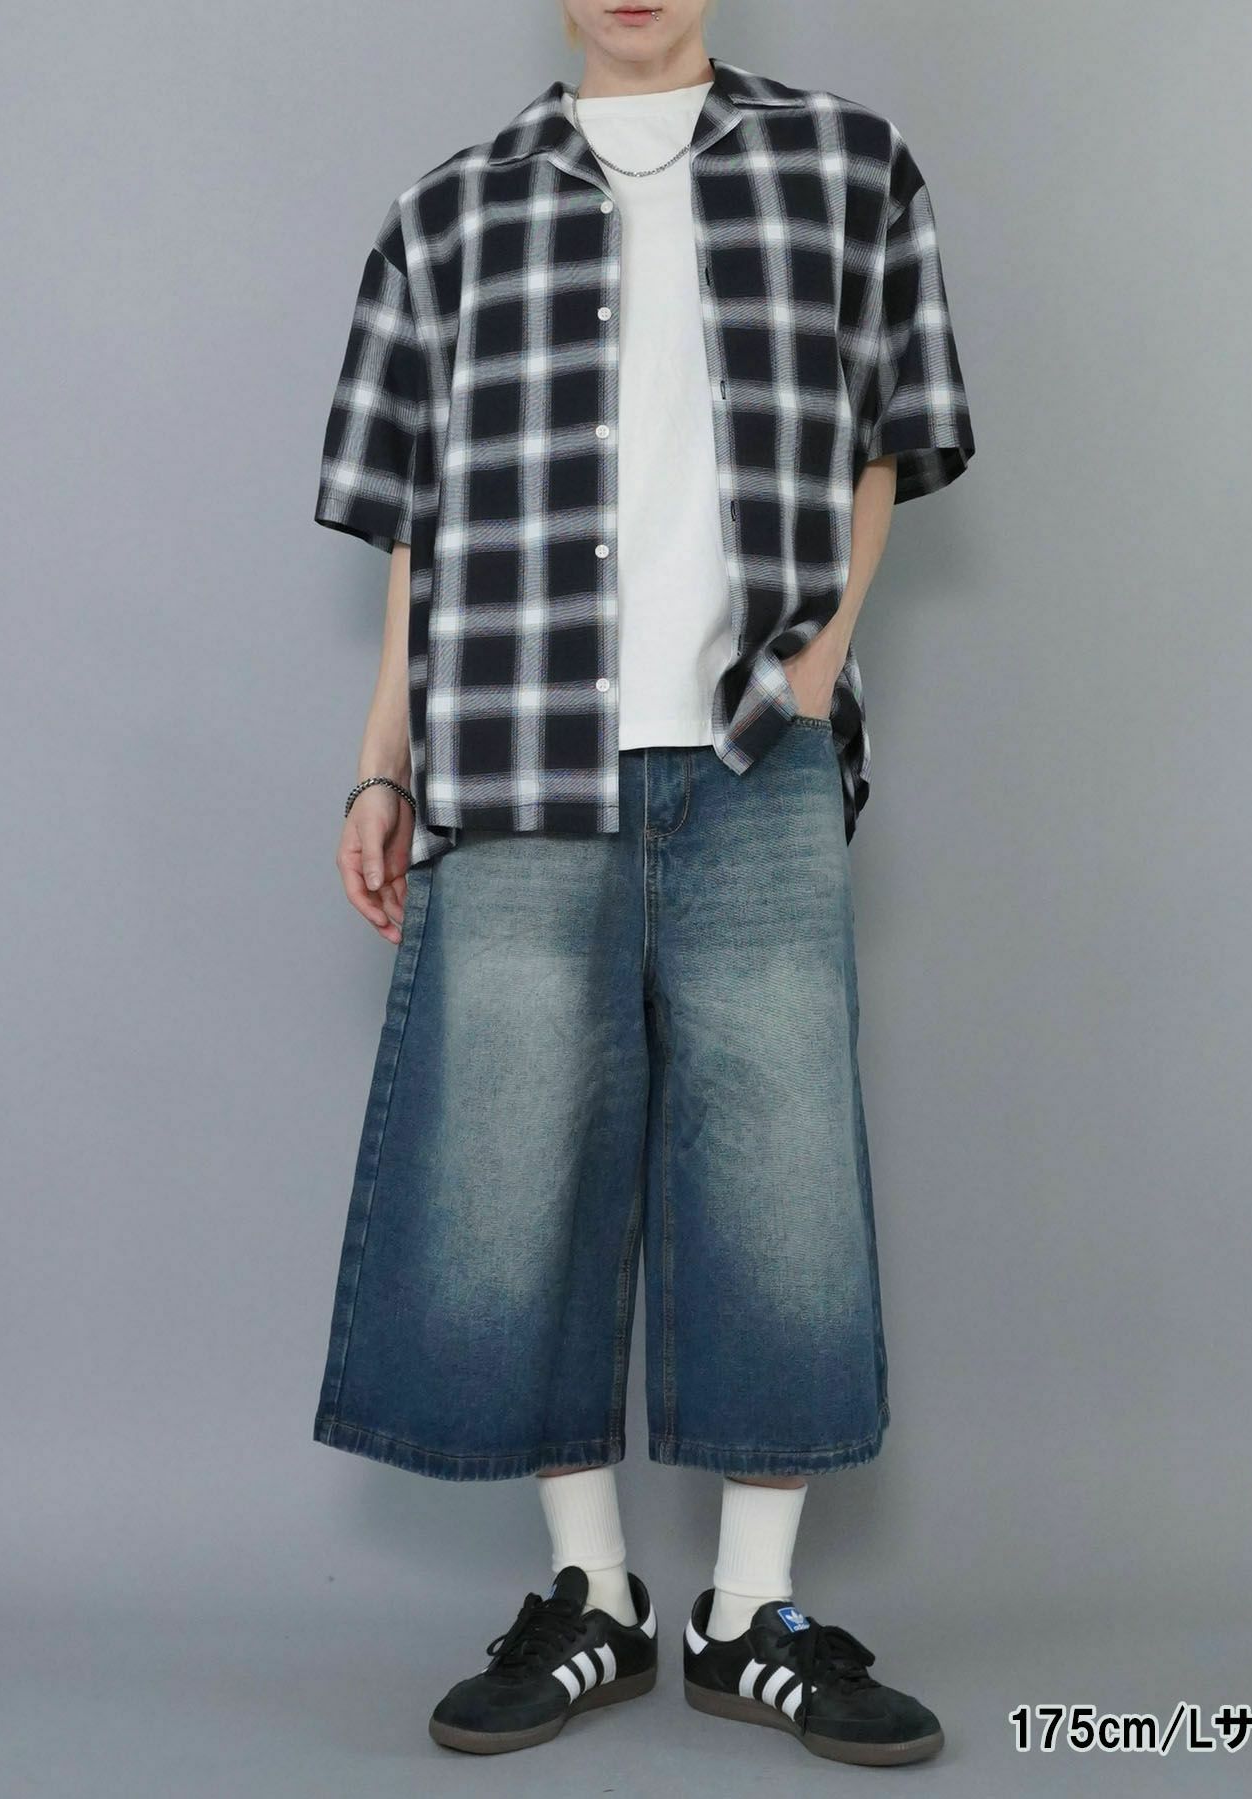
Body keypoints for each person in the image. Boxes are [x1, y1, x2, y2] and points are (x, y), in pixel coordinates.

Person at [310, 0, 974, 1767]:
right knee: (519, 1164)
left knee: (782, 1179)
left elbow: (888, 434)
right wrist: (383, 757)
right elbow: (419, 522)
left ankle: (752, 1611)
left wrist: (816, 663)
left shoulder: (847, 164)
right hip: (514, 750)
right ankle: (589, 1592)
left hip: (755, 749)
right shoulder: (447, 210)